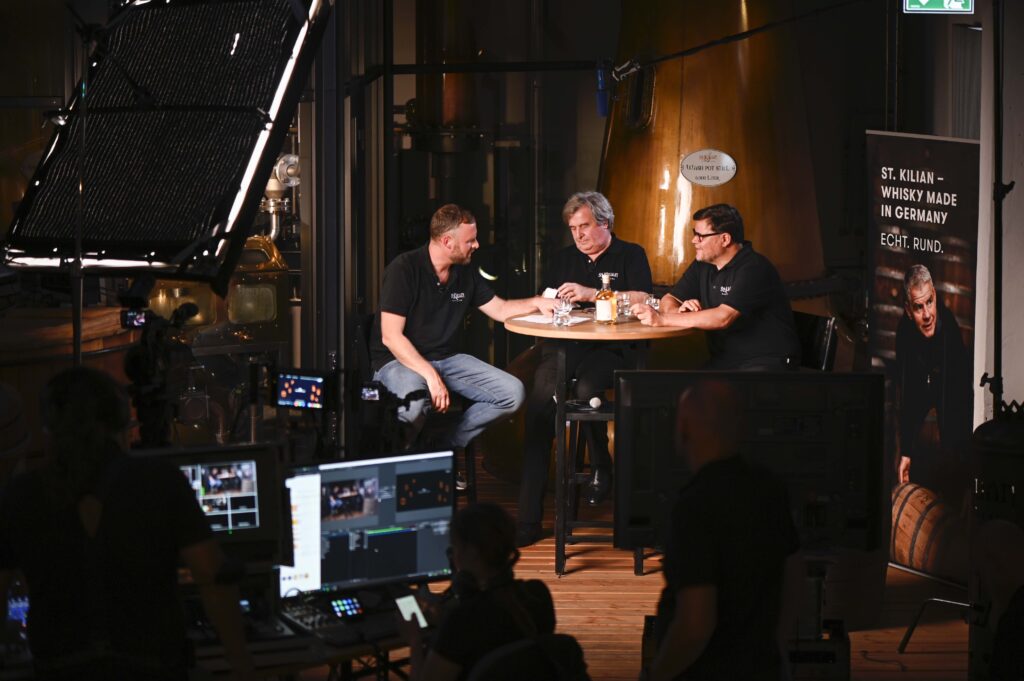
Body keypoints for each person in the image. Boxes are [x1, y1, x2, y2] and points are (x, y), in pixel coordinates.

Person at [0, 367, 253, 680]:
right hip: (154, 669)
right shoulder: (161, 481)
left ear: (49, 430)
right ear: (121, 425)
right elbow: (212, 575)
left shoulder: (20, 495)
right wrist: (241, 665)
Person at [517, 191, 653, 546]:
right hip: (566, 346)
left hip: (614, 348)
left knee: (585, 389)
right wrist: (550, 303)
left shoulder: (631, 254)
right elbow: (545, 299)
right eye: (573, 228)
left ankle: (601, 466)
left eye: (585, 226)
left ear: (605, 223)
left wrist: (592, 293)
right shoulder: (564, 258)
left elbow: (646, 298)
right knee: (538, 410)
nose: (578, 235)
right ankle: (528, 521)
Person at [370, 203, 558, 452]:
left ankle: (444, 449)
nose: (477, 245)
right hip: (399, 361)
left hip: (446, 359)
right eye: (470, 241)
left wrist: (537, 302)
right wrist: (431, 377)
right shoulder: (404, 269)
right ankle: (403, 465)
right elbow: (391, 337)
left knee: (512, 394)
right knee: (413, 406)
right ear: (447, 242)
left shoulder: (465, 272)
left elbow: (500, 309)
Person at [647, 381, 802, 681]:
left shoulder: (694, 507)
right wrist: (775, 647)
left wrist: (656, 675)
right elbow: (794, 575)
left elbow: (696, 625)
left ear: (684, 428)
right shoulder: (769, 488)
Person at [401, 502, 557, 681]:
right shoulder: (538, 595)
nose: (453, 555)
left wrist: (415, 640)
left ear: (472, 552)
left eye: (455, 547)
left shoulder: (462, 620)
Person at [633, 204, 800, 371]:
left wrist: (663, 319)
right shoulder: (703, 264)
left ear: (725, 239)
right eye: (694, 234)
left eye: (700, 236)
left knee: (683, 385)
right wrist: (678, 312)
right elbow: (669, 299)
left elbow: (723, 318)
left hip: (766, 363)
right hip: (726, 362)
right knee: (671, 382)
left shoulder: (754, 267)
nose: (694, 240)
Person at [894, 264, 972, 504]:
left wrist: (955, 460)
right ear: (908, 310)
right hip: (922, 385)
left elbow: (957, 400)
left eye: (929, 302)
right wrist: (906, 453)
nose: (927, 314)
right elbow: (908, 397)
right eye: (919, 307)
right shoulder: (904, 333)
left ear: (935, 296)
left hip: (951, 395)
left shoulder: (949, 331)